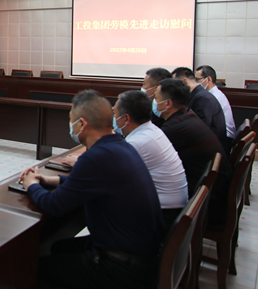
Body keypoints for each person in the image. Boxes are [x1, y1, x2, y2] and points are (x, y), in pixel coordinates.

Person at [20, 90, 163, 289]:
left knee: (33, 270)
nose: (70, 125)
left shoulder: (95, 157)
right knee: (59, 247)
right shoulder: (121, 146)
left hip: (121, 269)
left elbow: (54, 205)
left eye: (71, 120)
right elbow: (92, 183)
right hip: (142, 255)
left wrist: (31, 185)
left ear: (81, 124)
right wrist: (50, 180)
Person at [154, 78, 232, 229]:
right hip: (214, 196)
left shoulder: (174, 129)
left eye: (156, 99)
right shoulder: (188, 116)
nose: (154, 103)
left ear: (168, 103)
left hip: (209, 208)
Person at [113, 90, 188, 230]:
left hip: (163, 216)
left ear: (126, 119)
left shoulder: (138, 142)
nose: (114, 118)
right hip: (172, 208)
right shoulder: (152, 130)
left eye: (115, 114)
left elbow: (109, 175)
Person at [171, 67, 230, 154]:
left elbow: (201, 130)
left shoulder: (203, 98)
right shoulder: (198, 95)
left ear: (185, 81)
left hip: (211, 150)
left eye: (174, 85)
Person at [195, 65, 236, 141]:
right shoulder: (214, 94)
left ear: (208, 79)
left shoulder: (213, 97)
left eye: (198, 79)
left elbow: (205, 124)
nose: (196, 83)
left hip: (224, 138)